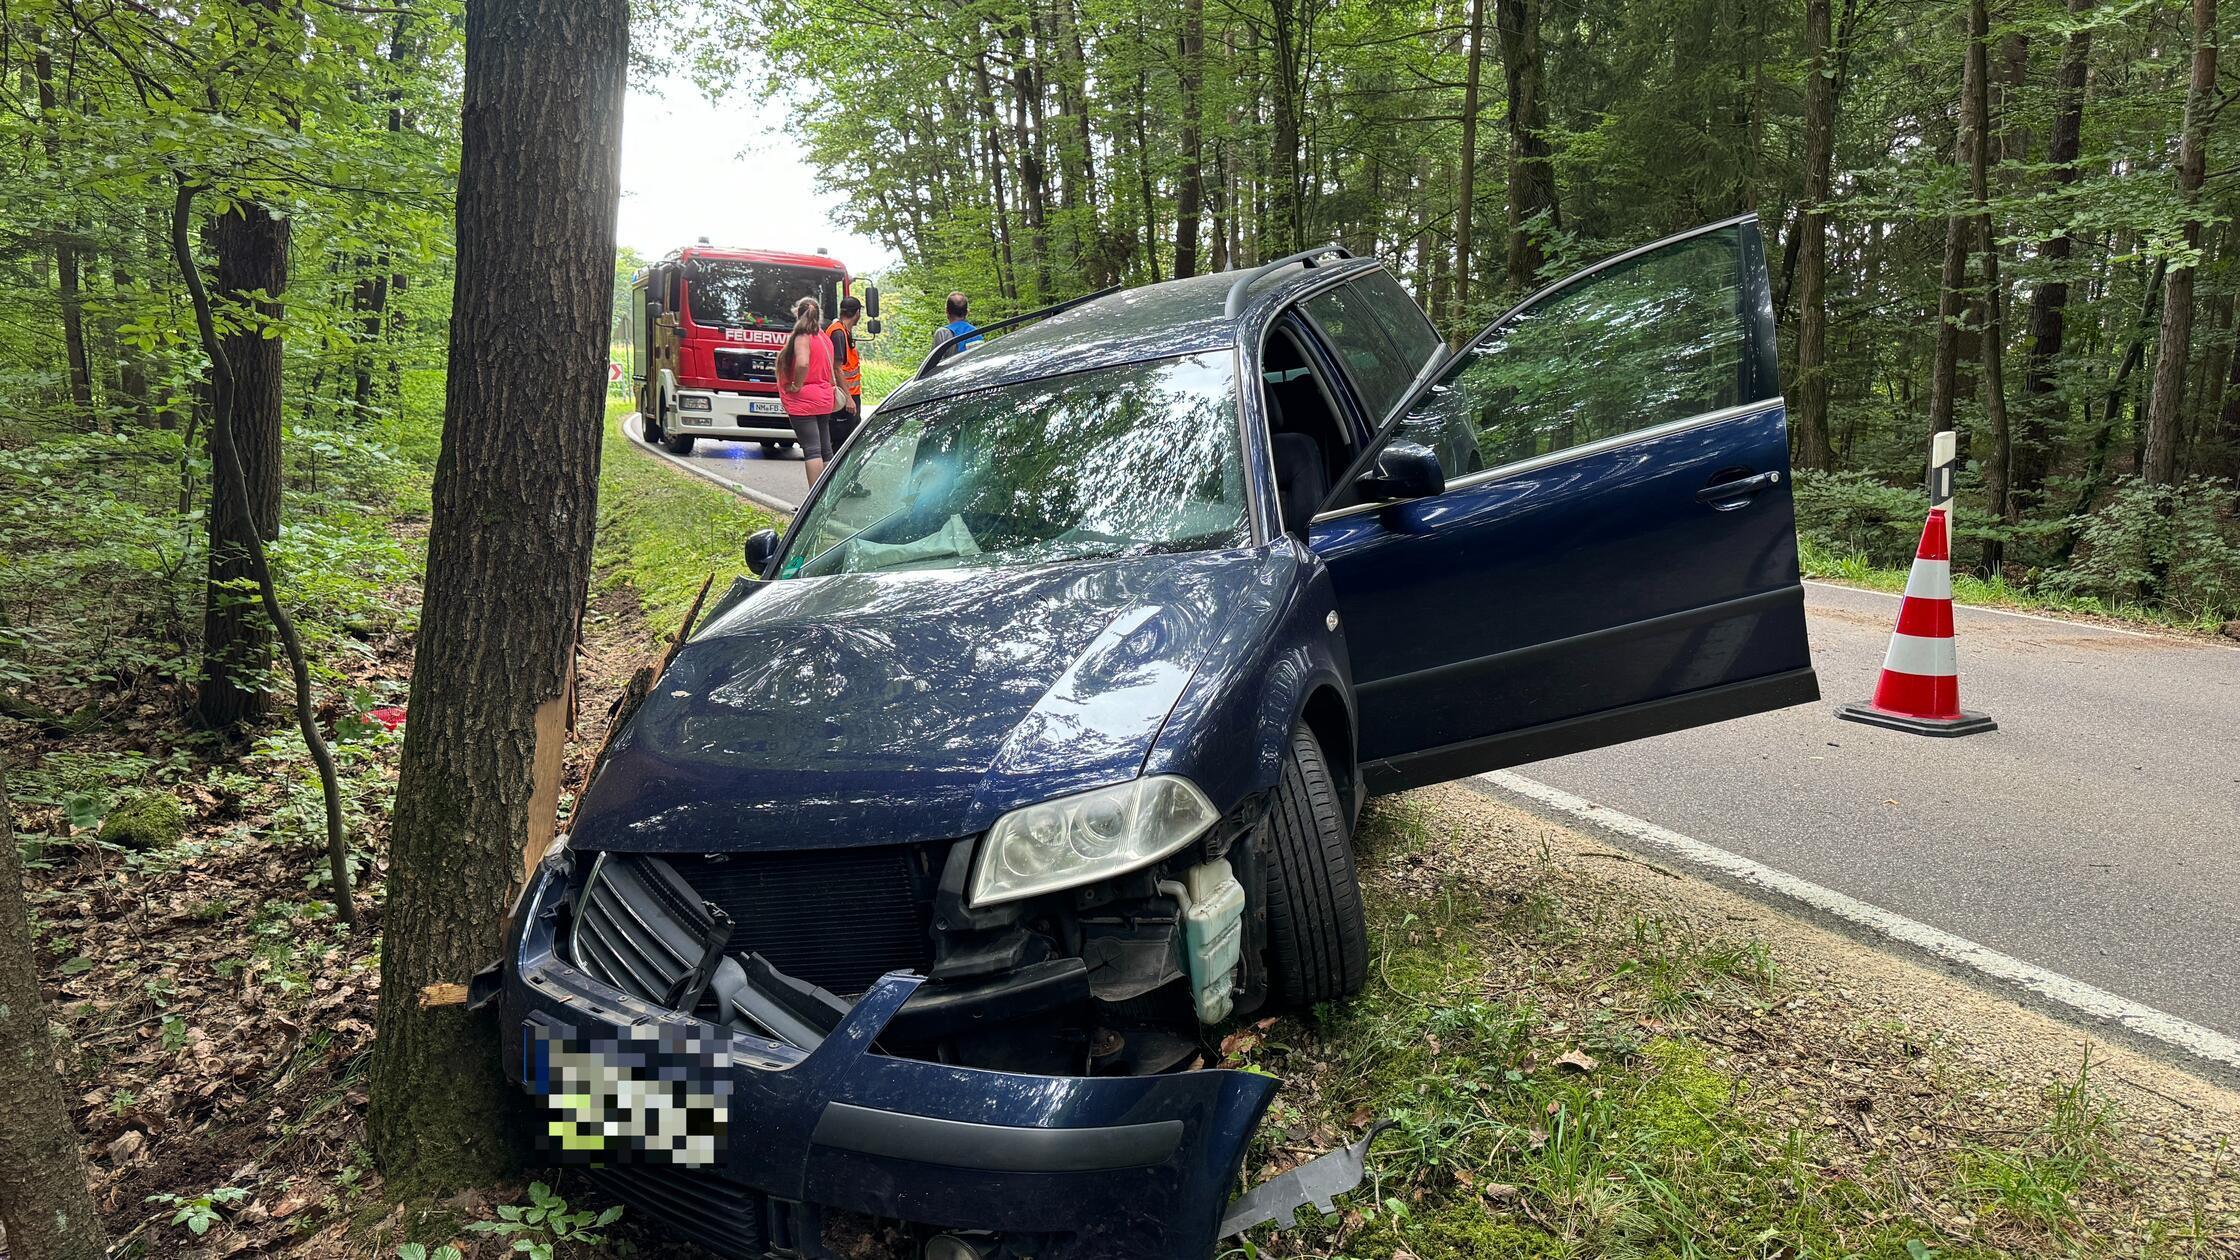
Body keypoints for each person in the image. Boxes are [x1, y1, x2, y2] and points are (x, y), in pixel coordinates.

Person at [775, 295, 838, 487]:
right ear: (817, 316)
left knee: (811, 450)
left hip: (804, 401)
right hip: (824, 397)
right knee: (826, 450)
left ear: (798, 314)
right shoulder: (824, 338)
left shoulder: (802, 337)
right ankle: (826, 497)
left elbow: (803, 363)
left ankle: (813, 500)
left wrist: (797, 385)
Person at [827, 296, 866, 452]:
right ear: (857, 313)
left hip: (848, 395)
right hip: (843, 398)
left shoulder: (843, 331)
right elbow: (837, 368)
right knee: (842, 444)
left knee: (849, 440)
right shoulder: (838, 333)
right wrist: (848, 398)